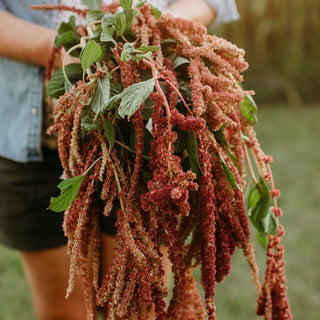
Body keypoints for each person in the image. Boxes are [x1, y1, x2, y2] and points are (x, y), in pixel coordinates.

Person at [0, 1, 239, 319]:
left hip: (154, 151)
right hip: (33, 141)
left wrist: (157, 29)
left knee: (140, 309)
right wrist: (57, 49)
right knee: (65, 313)